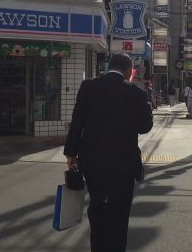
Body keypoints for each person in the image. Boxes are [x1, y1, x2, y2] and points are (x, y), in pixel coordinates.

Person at [64, 53, 153, 252]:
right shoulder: (136, 93)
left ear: (108, 66)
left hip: (92, 162)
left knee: (97, 207)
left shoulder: (88, 87)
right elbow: (144, 126)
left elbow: (77, 121)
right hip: (123, 164)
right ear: (129, 71)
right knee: (119, 214)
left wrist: (71, 154)